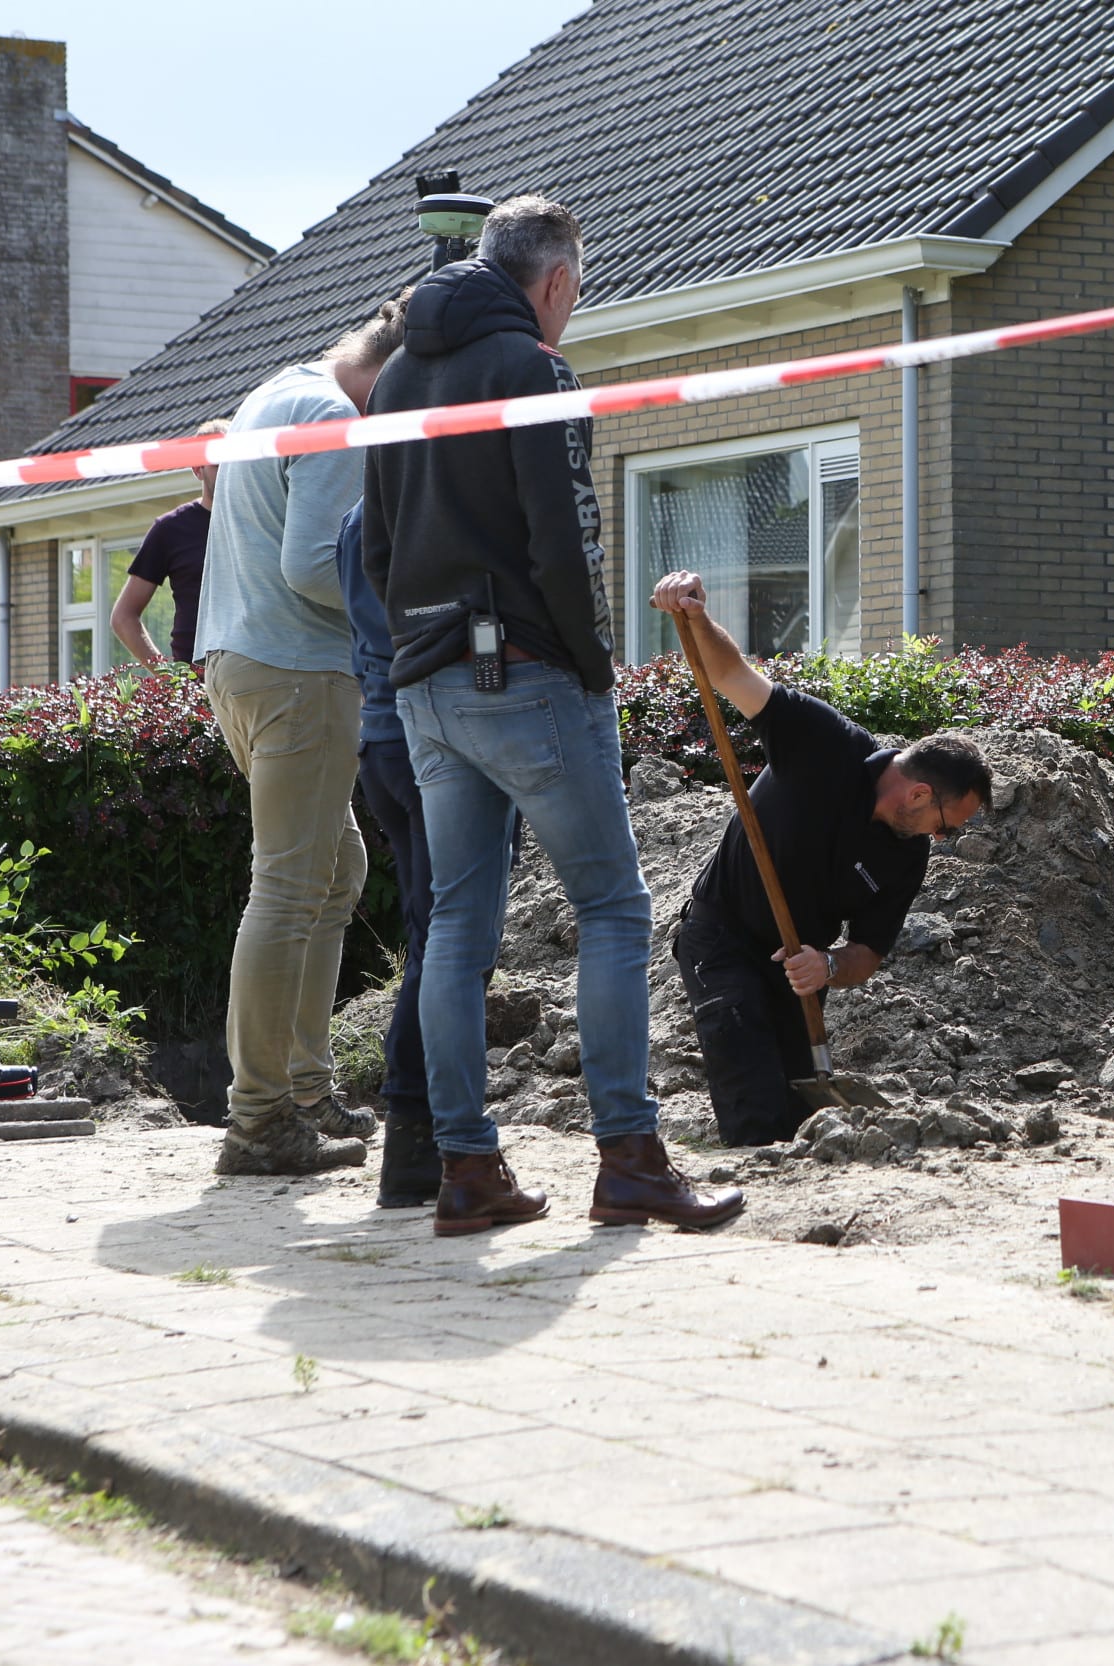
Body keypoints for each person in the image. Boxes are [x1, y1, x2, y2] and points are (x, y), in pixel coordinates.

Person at [364, 195, 743, 1237]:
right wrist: (593, 669)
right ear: (557, 280)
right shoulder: (536, 373)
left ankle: (466, 1171)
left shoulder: (395, 375)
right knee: (613, 911)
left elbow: (375, 546)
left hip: (427, 684)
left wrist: (413, 650)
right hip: (529, 674)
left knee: (455, 927)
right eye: (578, 290)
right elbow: (565, 542)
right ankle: (629, 1159)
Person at [653, 570, 993, 1147]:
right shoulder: (823, 743)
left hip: (799, 969)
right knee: (752, 1090)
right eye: (944, 825)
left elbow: (868, 952)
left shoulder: (906, 858)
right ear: (918, 793)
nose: (940, 840)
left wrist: (828, 967)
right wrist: (694, 616)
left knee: (797, 1103)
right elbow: (732, 675)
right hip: (722, 937)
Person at [195, 295, 408, 1176]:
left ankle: (304, 1087)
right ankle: (260, 1119)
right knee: (288, 888)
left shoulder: (276, 390)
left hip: (244, 663)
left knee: (334, 871)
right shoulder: (330, 416)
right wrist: (412, 601)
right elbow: (315, 566)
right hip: (302, 675)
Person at [335, 497, 439, 1208]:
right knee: (452, 943)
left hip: (379, 742)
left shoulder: (354, 517)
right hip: (431, 741)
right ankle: (418, 1136)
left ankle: (420, 1139)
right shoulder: (427, 508)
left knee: (431, 934)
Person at [110, 418, 232, 670]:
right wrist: (168, 678)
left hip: (256, 679)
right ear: (197, 469)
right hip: (197, 682)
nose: (230, 471)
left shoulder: (262, 521)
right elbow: (123, 616)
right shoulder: (171, 529)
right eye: (219, 465)